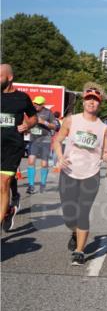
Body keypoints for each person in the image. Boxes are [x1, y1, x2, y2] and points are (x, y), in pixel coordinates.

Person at [52, 87, 107, 265]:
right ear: (84, 101)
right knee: (70, 215)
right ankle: (74, 231)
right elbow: (57, 140)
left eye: (95, 100)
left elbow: (104, 152)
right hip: (69, 171)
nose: (91, 102)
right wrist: (60, 157)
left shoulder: (103, 127)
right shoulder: (71, 120)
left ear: (99, 103)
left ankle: (79, 251)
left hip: (91, 174)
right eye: (88, 99)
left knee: (83, 212)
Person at [1, 64, 37, 232]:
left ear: (9, 77)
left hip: (12, 146)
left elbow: (34, 118)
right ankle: (9, 206)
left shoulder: (22, 98)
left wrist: (27, 124)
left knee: (3, 183)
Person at [25, 96, 58, 195]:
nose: (36, 105)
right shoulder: (31, 112)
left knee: (44, 164)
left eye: (38, 104)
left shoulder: (48, 113)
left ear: (43, 104)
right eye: (35, 103)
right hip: (34, 140)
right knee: (31, 161)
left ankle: (43, 184)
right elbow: (27, 123)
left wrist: (44, 122)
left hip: (45, 140)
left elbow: (55, 126)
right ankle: (31, 186)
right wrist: (27, 128)